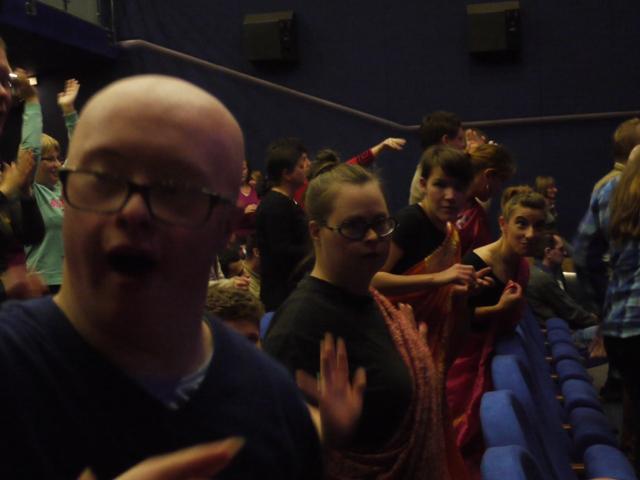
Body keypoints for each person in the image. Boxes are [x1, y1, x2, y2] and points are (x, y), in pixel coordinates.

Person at [0, 75, 322, 479]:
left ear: (226, 227)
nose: (133, 211)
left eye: (175, 189)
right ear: (67, 196)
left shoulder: (274, 407)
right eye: (102, 179)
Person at [265, 163, 468, 479]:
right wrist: (330, 435)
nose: (373, 237)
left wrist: (414, 361)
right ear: (316, 232)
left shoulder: (372, 299)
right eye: (354, 226)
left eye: (380, 223)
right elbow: (273, 451)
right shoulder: (298, 327)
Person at [447, 187, 547, 478]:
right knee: (458, 444)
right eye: (521, 224)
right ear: (503, 223)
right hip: (461, 362)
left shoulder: (522, 265)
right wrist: (498, 309)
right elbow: (451, 321)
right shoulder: (475, 264)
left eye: (538, 226)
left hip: (490, 356)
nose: (530, 234)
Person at [18, 74, 80, 293]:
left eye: (57, 158)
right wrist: (32, 104)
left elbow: (80, 152)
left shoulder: (63, 187)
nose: (57, 164)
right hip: (43, 284)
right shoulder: (31, 191)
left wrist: (69, 111)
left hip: (71, 281)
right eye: (49, 159)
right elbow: (31, 151)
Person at [600, 149, 640, 473]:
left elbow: (586, 257)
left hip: (618, 324)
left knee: (633, 393)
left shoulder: (614, 208)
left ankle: (630, 450)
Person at [255, 139, 310, 311]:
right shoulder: (275, 206)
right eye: (301, 166)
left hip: (289, 290)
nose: (307, 167)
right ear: (286, 174)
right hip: (281, 296)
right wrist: (315, 250)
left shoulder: (286, 202)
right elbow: (281, 251)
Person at [294, 137, 406, 206]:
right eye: (302, 162)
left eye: (306, 159)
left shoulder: (333, 179)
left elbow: (358, 161)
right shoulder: (299, 192)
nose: (308, 163)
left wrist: (382, 146)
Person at [527, 232, 598, 329]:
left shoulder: (550, 272)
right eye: (561, 249)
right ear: (548, 252)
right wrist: (594, 320)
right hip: (557, 331)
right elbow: (570, 311)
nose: (565, 253)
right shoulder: (543, 278)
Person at [457, 143, 516, 256]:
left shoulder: (475, 214)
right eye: (501, 180)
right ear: (489, 174)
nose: (499, 189)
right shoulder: (477, 220)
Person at [408, 111, 466, 204]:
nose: (464, 145)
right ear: (446, 141)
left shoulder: (426, 169)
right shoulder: (439, 171)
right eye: (460, 139)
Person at [234, 159, 259, 240]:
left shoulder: (255, 189)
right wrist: (243, 212)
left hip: (255, 237)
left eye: (244, 168)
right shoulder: (231, 191)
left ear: (248, 170)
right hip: (238, 237)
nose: (241, 172)